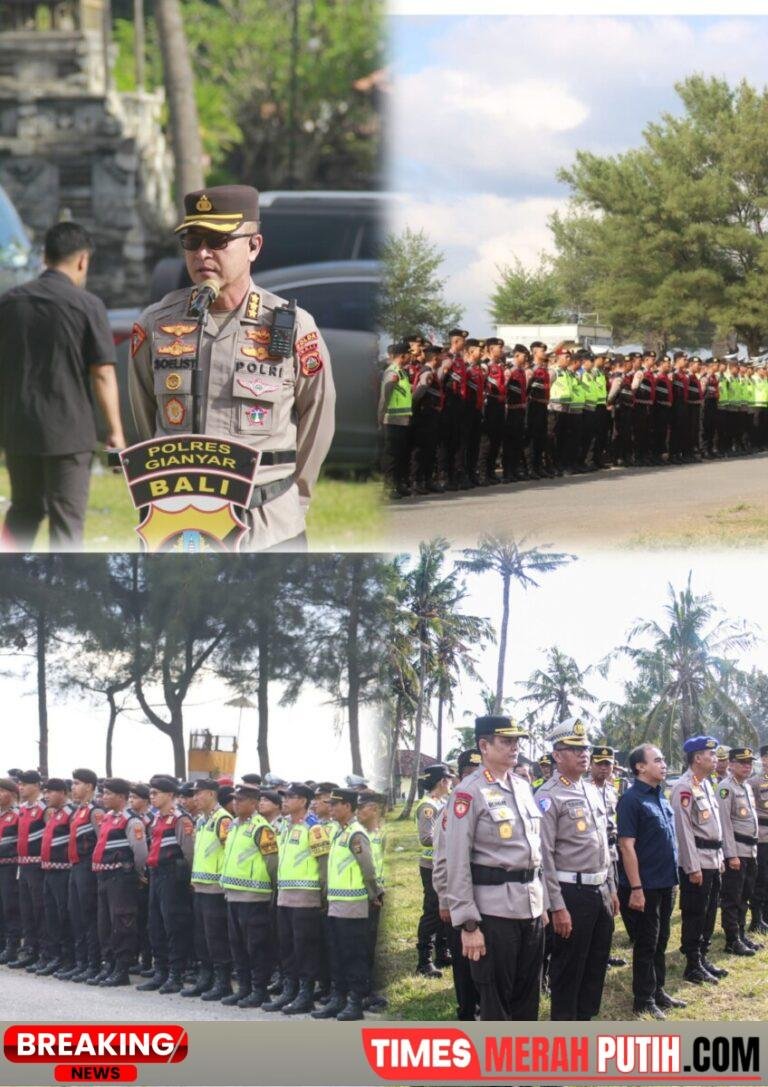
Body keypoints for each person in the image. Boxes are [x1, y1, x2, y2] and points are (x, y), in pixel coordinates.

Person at [129, 185, 335, 551]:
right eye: (192, 241)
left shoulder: (291, 326)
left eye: (218, 240)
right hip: (183, 529)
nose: (202, 253)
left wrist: (295, 500)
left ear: (254, 246)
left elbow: (318, 418)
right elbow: (147, 420)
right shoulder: (156, 324)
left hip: (268, 528)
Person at [0, 221, 125, 549]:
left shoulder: (9, 303)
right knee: (67, 522)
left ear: (45, 256)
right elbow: (102, 373)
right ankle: (66, 575)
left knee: (24, 510)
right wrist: (115, 431)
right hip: (68, 434)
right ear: (83, 260)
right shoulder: (87, 306)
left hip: (18, 428)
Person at [444, 716, 546, 1021]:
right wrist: (468, 925)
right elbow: (457, 860)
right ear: (484, 745)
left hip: (531, 908)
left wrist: (543, 905)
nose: (515, 747)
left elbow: (536, 851)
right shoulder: (468, 792)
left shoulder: (523, 786)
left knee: (528, 998)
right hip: (494, 913)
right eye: (506, 741)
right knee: (496, 1003)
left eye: (517, 741)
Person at [537, 718, 617, 1020]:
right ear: (557, 755)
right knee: (569, 969)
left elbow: (603, 845)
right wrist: (557, 906)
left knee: (596, 964)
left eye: (586, 748)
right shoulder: (548, 796)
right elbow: (544, 857)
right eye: (575, 749)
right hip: (571, 892)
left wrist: (610, 888)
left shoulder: (592, 790)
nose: (584, 754)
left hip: (599, 889)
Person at [617, 743, 681, 1020]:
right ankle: (643, 999)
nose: (663, 764)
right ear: (640, 767)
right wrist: (636, 888)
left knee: (662, 938)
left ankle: (658, 991)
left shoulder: (660, 797)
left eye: (664, 759)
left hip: (666, 881)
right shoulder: (631, 800)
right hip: (646, 885)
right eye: (657, 760)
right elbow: (626, 846)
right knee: (646, 943)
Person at [311, 787, 383, 1022]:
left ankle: (354, 1002)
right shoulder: (339, 832)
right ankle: (338, 998)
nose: (330, 808)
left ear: (348, 806)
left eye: (335, 804)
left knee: (353, 955)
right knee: (337, 954)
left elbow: (368, 869)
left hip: (352, 904)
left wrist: (373, 894)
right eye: (329, 804)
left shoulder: (355, 833)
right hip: (337, 903)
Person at [266, 782, 329, 1015]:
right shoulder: (285, 826)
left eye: (290, 797)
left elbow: (324, 864)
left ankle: (305, 994)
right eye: (284, 797)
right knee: (287, 946)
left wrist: (323, 895)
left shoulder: (313, 827)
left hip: (305, 896)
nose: (285, 801)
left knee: (305, 948)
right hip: (285, 895)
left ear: (303, 801)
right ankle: (289, 990)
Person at [669, 736, 727, 985]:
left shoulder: (704, 784)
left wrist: (720, 857)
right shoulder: (683, 787)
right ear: (697, 758)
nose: (715, 759)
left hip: (712, 859)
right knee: (695, 913)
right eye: (710, 754)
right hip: (698, 862)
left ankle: (702, 957)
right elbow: (683, 832)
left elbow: (714, 827)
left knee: (710, 911)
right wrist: (692, 867)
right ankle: (692, 964)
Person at [219, 780, 279, 1008]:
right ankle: (244, 988)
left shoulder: (261, 828)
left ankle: (259, 990)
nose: (235, 803)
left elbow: (272, 862)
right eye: (234, 799)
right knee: (237, 946)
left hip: (254, 896)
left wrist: (271, 890)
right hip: (233, 895)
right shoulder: (234, 825)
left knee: (256, 946)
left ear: (254, 803)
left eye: (241, 800)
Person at [432, 749, 481, 1021]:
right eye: (471, 774)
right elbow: (442, 860)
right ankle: (467, 1012)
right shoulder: (452, 809)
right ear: (461, 777)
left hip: (485, 898)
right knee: (464, 964)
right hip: (458, 898)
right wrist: (444, 900)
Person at [136, 775, 194, 994]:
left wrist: (189, 880)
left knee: (173, 925)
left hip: (173, 876)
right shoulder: (155, 820)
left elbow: (189, 852)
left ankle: (175, 975)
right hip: (156, 874)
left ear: (170, 795)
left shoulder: (180, 819)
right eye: (150, 793)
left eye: (156, 793)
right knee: (155, 925)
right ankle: (160, 971)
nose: (152, 797)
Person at [89, 778, 148, 987]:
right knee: (105, 923)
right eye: (103, 793)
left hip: (121, 877)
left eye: (108, 793)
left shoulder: (131, 821)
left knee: (122, 922)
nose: (103, 797)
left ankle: (122, 969)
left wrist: (136, 874)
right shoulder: (107, 817)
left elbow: (140, 852)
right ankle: (110, 964)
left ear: (121, 797)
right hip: (104, 876)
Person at [182, 778, 232, 1002]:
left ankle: (222, 982)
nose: (195, 798)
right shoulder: (202, 820)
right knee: (201, 936)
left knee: (216, 936)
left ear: (211, 794)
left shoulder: (223, 819)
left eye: (199, 793)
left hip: (215, 888)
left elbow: (228, 851)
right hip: (200, 886)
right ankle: (206, 976)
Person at [717, 747, 761, 957]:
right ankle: (732, 940)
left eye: (749, 763)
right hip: (737, 851)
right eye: (742, 762)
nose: (747, 766)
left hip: (750, 850)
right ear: (731, 764)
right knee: (732, 897)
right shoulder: (726, 788)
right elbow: (724, 824)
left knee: (745, 895)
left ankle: (741, 934)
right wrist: (731, 854)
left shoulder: (746, 786)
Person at [65, 767, 104, 983]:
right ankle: (81, 963)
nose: (73, 787)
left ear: (89, 786)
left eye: (77, 783)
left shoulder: (95, 812)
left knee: (89, 916)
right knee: (76, 914)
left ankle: (93, 964)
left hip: (88, 868)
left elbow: (101, 841)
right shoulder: (78, 811)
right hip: (75, 866)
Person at [414, 763, 453, 978]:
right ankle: (424, 961)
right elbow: (426, 837)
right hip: (431, 866)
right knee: (432, 911)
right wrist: (452, 840)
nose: (451, 783)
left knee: (444, 909)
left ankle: (442, 953)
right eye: (449, 779)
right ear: (442, 781)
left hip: (443, 863)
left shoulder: (442, 802)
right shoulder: (427, 806)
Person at [590, 746, 627, 968]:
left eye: (608, 764)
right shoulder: (585, 789)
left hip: (612, 852)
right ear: (591, 765)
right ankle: (595, 954)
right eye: (600, 763)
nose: (604, 768)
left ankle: (605, 951)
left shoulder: (612, 791)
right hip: (594, 854)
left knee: (611, 903)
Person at [7, 770, 47, 971]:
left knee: (39, 909)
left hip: (38, 865)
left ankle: (43, 952)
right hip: (22, 865)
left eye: (24, 784)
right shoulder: (22, 808)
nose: (20, 787)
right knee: (26, 909)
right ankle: (29, 949)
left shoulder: (44, 808)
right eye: (19, 784)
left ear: (36, 786)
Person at [39, 778, 75, 976]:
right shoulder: (54, 813)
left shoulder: (71, 813)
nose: (46, 796)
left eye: (50, 792)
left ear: (62, 792)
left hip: (63, 871)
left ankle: (68, 959)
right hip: (49, 870)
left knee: (63, 916)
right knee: (50, 915)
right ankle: (55, 956)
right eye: (45, 792)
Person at [379, 342, 413, 498]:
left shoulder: (402, 372)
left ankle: (398, 484)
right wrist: (380, 417)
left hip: (402, 420)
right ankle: (388, 487)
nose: (410, 357)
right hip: (391, 420)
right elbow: (384, 397)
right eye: (408, 354)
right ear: (403, 356)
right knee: (391, 456)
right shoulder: (391, 372)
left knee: (400, 454)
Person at [0, 777, 21, 965]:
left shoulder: (18, 814)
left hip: (10, 866)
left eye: (1, 791)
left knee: (10, 907)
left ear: (13, 794)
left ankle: (12, 946)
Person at [748, 744, 768, 935]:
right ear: (763, 759)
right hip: (762, 836)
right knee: (761, 878)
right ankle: (757, 918)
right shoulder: (754, 782)